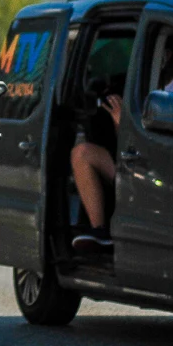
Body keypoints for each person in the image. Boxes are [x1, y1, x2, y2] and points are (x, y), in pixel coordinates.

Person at [70, 76, 122, 252]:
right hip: (131, 164)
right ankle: (99, 231)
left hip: (160, 167)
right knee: (82, 154)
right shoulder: (145, 79)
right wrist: (119, 123)